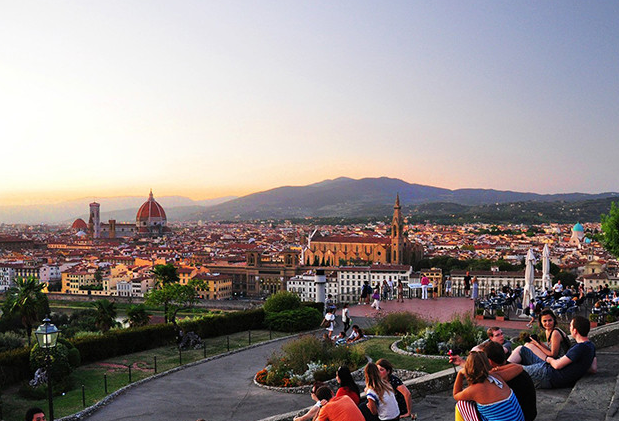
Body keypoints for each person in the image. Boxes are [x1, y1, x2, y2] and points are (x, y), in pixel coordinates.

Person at [450, 342, 536, 421]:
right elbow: (519, 367)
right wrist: (490, 370)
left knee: (462, 405)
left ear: (490, 361)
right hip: (523, 417)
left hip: (525, 417)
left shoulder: (474, 389)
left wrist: (460, 373)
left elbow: (456, 395)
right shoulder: (499, 376)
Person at [515, 315, 597, 389]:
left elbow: (557, 365)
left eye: (571, 326)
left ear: (575, 331)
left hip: (548, 375)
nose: (569, 328)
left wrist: (548, 359)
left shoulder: (579, 348)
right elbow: (593, 368)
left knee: (515, 370)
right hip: (551, 372)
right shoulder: (591, 346)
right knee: (522, 350)